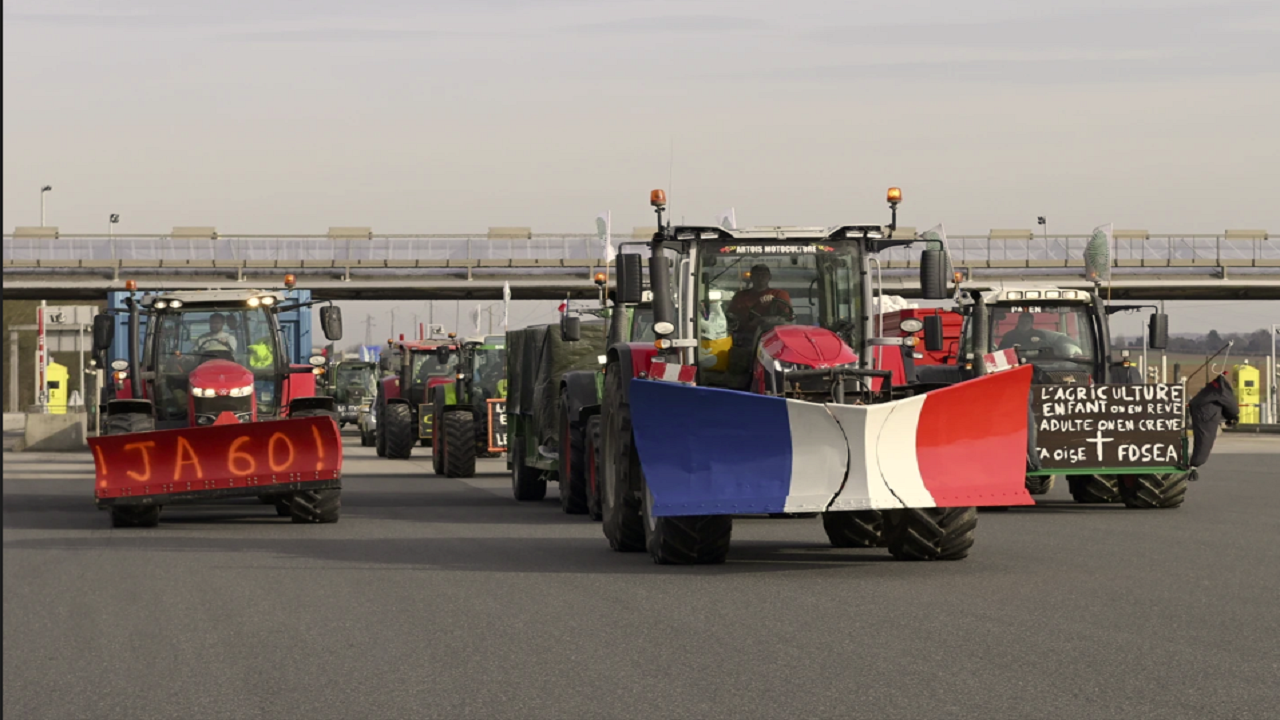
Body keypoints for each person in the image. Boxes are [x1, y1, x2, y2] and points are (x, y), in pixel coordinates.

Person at [727, 264, 793, 329]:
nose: (760, 277)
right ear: (751, 277)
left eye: (764, 274)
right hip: (746, 335)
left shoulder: (779, 294)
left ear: (770, 277)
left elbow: (788, 316)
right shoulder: (740, 296)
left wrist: (774, 303)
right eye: (757, 274)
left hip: (773, 333)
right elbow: (730, 318)